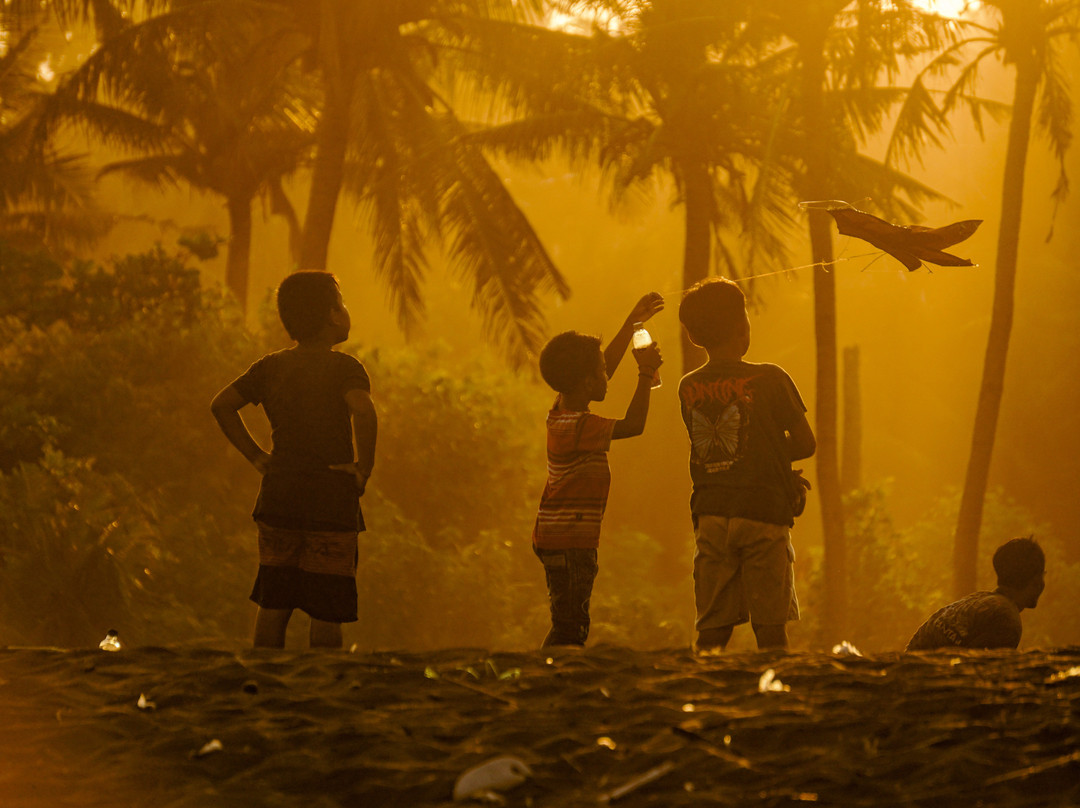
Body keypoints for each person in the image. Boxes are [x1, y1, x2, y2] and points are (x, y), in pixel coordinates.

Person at [210, 270, 377, 649]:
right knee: (326, 606)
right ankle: (322, 684)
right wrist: (363, 468)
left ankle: (266, 680)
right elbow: (363, 412)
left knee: (275, 600)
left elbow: (221, 405)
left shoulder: (270, 367)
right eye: (342, 302)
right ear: (334, 316)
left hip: (279, 495)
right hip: (331, 499)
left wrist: (256, 456)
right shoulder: (345, 368)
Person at [677, 278, 815, 653]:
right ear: (743, 327)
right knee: (770, 628)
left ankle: (703, 695)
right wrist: (775, 464)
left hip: (711, 515)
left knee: (713, 629)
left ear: (694, 336)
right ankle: (773, 700)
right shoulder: (771, 377)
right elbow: (806, 443)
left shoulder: (687, 387)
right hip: (763, 514)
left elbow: (721, 451)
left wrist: (764, 458)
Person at [532, 293, 665, 647]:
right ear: (589, 382)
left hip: (560, 537)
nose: (608, 373)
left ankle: (551, 673)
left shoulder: (563, 406)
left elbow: (596, 366)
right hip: (569, 541)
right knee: (570, 625)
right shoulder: (578, 425)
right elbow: (634, 424)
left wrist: (632, 323)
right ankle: (551, 678)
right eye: (603, 372)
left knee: (568, 619)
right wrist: (646, 371)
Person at [905, 537, 1045, 652]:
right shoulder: (1007, 621)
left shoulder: (978, 599)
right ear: (1036, 581)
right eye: (1043, 575)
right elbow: (978, 674)